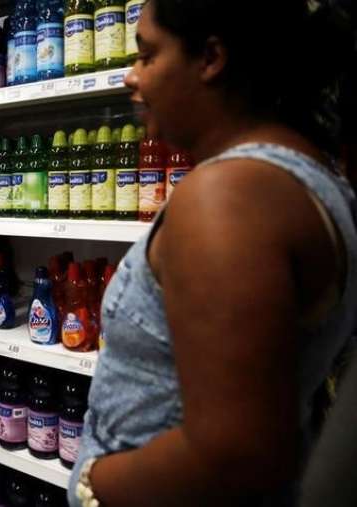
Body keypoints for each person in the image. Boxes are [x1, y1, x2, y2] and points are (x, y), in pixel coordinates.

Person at [69, 1, 357, 506]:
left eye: (147, 55)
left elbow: (235, 457)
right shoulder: (305, 173)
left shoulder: (227, 196)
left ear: (210, 58)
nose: (129, 78)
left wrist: (95, 480)